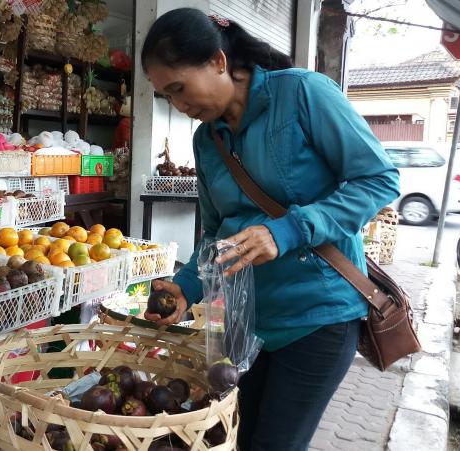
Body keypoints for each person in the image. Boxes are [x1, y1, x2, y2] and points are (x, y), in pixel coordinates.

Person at [140, 8, 399, 451]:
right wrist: (186, 287)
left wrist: (289, 230)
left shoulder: (303, 93)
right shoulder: (207, 140)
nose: (179, 107)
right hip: (246, 327)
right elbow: (215, 231)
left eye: (180, 89)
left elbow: (378, 180)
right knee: (238, 440)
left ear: (219, 61)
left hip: (318, 318)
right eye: (167, 97)